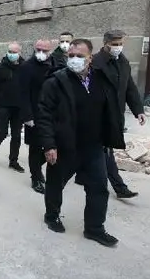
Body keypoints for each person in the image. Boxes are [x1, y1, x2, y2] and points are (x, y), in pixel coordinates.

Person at [36, 38, 122, 247]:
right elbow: (44, 114)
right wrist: (49, 145)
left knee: (99, 188)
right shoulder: (55, 82)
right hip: (65, 146)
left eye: (80, 56)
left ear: (90, 58)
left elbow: (110, 108)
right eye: (71, 55)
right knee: (56, 184)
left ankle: (94, 228)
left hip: (94, 146)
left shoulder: (101, 79)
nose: (74, 59)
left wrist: (111, 135)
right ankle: (52, 215)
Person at [91, 29, 146, 199]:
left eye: (121, 44)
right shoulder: (94, 63)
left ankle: (84, 176)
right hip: (96, 116)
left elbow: (130, 88)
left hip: (114, 115)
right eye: (114, 44)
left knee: (103, 151)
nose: (118, 47)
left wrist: (138, 111)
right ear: (105, 44)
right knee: (103, 151)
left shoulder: (123, 62)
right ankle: (119, 187)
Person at [18, 39, 55, 194]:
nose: (41, 53)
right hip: (34, 113)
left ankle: (37, 169)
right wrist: (27, 116)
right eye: (38, 49)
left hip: (51, 113)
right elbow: (23, 93)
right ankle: (36, 177)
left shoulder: (54, 64)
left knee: (52, 144)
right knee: (35, 147)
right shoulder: (27, 66)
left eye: (44, 50)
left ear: (50, 51)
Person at [0, 42, 26, 170]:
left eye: (14, 52)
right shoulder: (1, 67)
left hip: (18, 107)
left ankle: (13, 161)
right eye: (10, 51)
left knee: (16, 135)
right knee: (2, 133)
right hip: (3, 106)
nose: (11, 54)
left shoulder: (24, 67)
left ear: (20, 53)